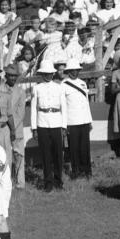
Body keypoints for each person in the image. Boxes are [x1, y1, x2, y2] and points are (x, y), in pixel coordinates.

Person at [31, 57, 69, 191]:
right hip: (42, 123)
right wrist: (34, 128)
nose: (48, 75)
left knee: (58, 154)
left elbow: (64, 108)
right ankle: (48, 182)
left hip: (56, 123)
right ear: (41, 74)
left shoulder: (60, 88)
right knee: (45, 154)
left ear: (53, 73)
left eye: (50, 73)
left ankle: (59, 181)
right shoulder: (37, 88)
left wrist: (64, 126)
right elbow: (34, 109)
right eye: (45, 73)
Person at [62, 57, 93, 178]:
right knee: (74, 148)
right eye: (72, 70)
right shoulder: (63, 85)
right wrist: (64, 125)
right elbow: (63, 107)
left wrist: (90, 120)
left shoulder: (82, 83)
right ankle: (76, 171)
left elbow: (86, 104)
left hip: (84, 120)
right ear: (68, 71)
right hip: (72, 121)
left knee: (85, 147)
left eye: (76, 70)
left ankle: (87, 171)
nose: (74, 72)